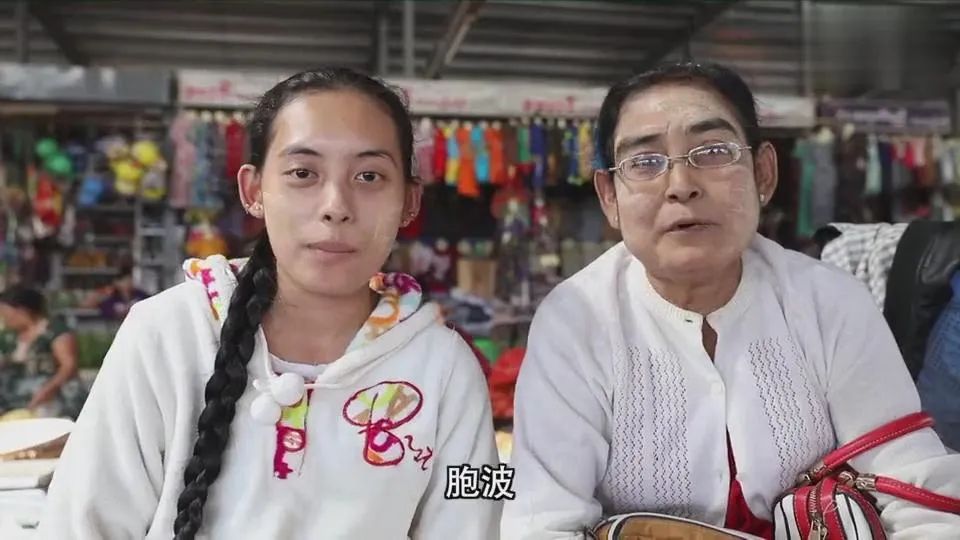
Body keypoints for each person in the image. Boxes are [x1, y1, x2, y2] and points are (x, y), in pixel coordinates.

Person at [501, 62, 960, 539]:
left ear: (763, 173)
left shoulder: (829, 302)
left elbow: (914, 487)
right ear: (609, 198)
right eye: (645, 162)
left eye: (713, 152)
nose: (680, 185)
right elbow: (542, 522)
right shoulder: (576, 321)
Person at [40, 68, 500, 539]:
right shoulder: (164, 333)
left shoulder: (447, 369)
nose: (336, 206)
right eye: (303, 173)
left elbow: (473, 522)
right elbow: (77, 524)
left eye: (369, 176)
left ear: (409, 201)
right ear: (253, 191)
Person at [0, 286, 87, 419]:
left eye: (5, 313)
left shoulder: (55, 331)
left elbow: (69, 366)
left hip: (54, 397)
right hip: (19, 398)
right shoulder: (11, 337)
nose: (4, 318)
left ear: (22, 311)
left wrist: (48, 390)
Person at [82, 263, 150, 320]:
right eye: (124, 280)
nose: (128, 283)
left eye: (130, 279)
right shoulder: (112, 298)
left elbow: (150, 305)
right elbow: (104, 309)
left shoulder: (140, 295)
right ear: (116, 282)